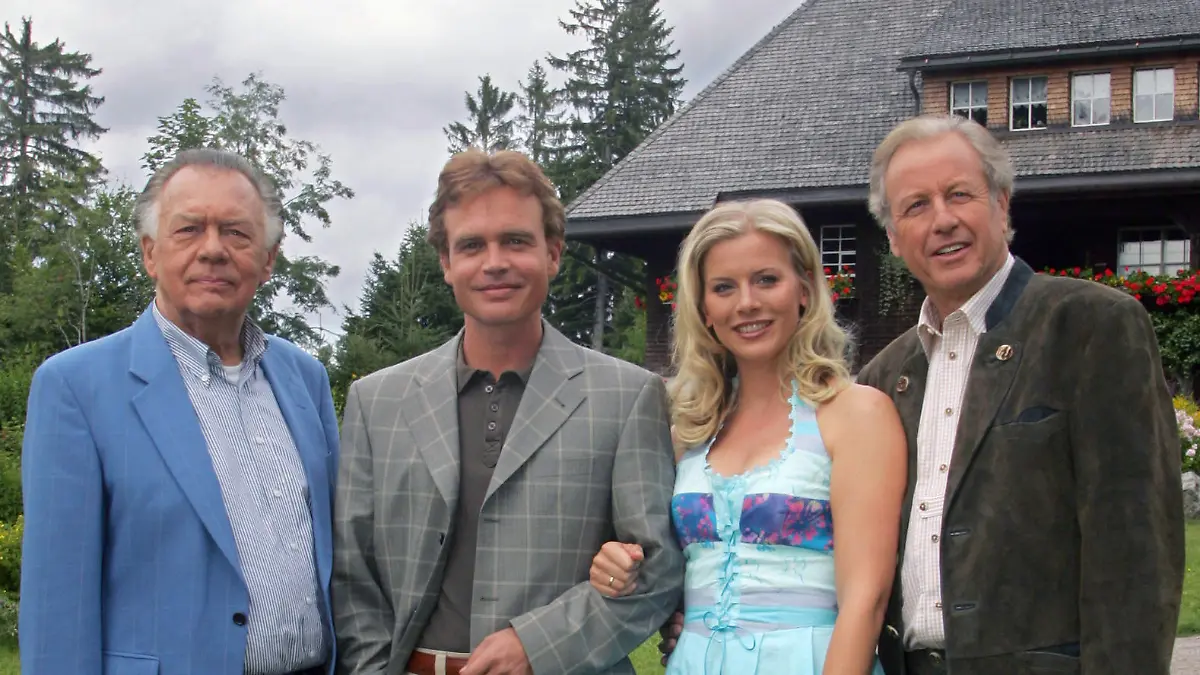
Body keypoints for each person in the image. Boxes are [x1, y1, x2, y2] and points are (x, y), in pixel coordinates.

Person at [332, 148, 684, 675]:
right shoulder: (376, 401)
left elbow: (656, 569)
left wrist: (537, 647)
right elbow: (352, 575)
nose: (494, 262)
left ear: (553, 254)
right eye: (472, 245)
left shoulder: (626, 396)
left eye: (516, 241)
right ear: (447, 264)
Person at [856, 114, 1184, 675]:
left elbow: (1137, 551)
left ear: (1003, 204)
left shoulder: (1090, 327)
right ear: (892, 237)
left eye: (959, 194)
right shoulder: (883, 379)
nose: (943, 220)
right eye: (915, 206)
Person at [19, 149, 340, 675]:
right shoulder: (75, 387)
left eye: (237, 232)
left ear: (267, 259)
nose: (213, 250)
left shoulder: (306, 379)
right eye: (189, 229)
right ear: (150, 253)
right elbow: (58, 608)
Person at [589, 199, 906, 674]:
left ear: (804, 289)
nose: (747, 303)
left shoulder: (856, 414)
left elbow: (866, 601)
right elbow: (666, 568)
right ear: (704, 309)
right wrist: (616, 564)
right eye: (723, 287)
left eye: (766, 279)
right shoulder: (689, 431)